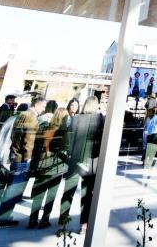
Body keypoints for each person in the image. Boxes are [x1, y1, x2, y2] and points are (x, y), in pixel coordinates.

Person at [0, 95, 46, 227]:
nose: (44, 109)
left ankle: (3, 216)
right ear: (38, 105)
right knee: (14, 190)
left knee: (12, 187)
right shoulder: (32, 118)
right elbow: (28, 141)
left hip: (15, 155)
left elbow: (14, 135)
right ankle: (2, 218)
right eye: (43, 106)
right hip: (22, 158)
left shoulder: (22, 114)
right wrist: (28, 158)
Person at [60, 96, 104, 233]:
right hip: (92, 162)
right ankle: (84, 225)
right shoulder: (100, 118)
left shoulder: (76, 118)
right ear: (96, 105)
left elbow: (70, 141)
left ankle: (62, 224)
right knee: (87, 195)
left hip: (75, 160)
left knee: (68, 193)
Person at [29, 107, 70, 229]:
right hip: (56, 166)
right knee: (51, 194)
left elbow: (37, 147)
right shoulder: (65, 132)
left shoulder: (45, 128)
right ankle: (44, 220)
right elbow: (65, 149)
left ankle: (32, 220)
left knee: (38, 194)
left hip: (42, 163)